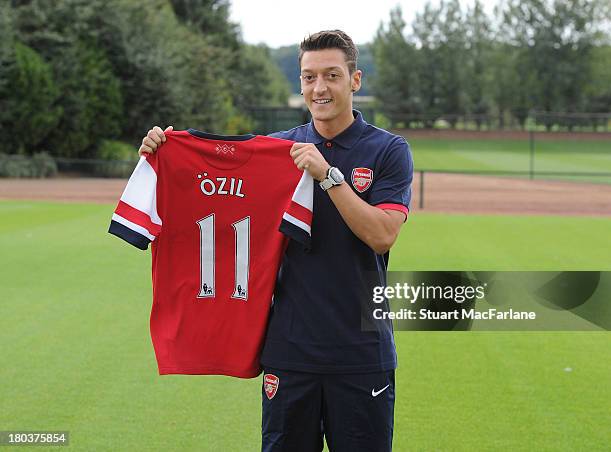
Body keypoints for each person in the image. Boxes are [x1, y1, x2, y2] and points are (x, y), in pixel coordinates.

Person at [138, 30, 413, 452]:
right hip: (288, 351)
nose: (319, 88)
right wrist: (165, 152)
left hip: (361, 351)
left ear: (355, 80)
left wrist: (328, 176)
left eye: (332, 75)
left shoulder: (388, 150)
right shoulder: (276, 149)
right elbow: (210, 186)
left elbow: (382, 234)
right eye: (308, 77)